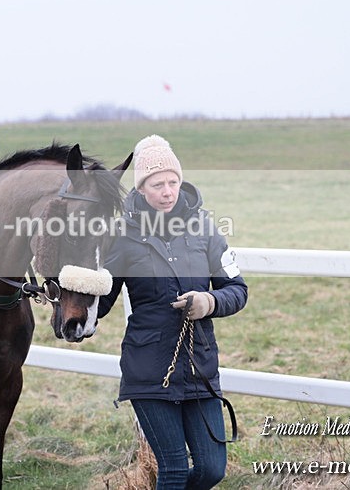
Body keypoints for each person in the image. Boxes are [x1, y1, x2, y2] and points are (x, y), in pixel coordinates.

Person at [98, 135, 248, 489]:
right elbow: (101, 302)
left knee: (212, 469)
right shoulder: (122, 236)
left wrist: (209, 302)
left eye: (172, 182)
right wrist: (74, 284)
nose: (167, 192)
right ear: (141, 188)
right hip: (148, 369)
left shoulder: (205, 229)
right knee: (175, 469)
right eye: (157, 185)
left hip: (199, 367)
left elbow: (237, 290)